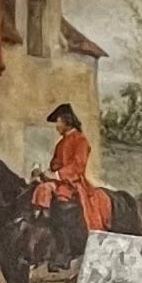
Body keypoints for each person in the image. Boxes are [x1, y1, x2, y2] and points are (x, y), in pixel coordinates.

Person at [33, 99, 110, 234]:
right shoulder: (60, 143)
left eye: (58, 122)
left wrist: (57, 175)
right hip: (58, 181)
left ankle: (60, 231)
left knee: (59, 197)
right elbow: (55, 165)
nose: (57, 126)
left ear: (66, 121)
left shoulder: (81, 140)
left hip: (72, 182)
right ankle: (41, 223)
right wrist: (43, 173)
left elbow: (77, 166)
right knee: (41, 188)